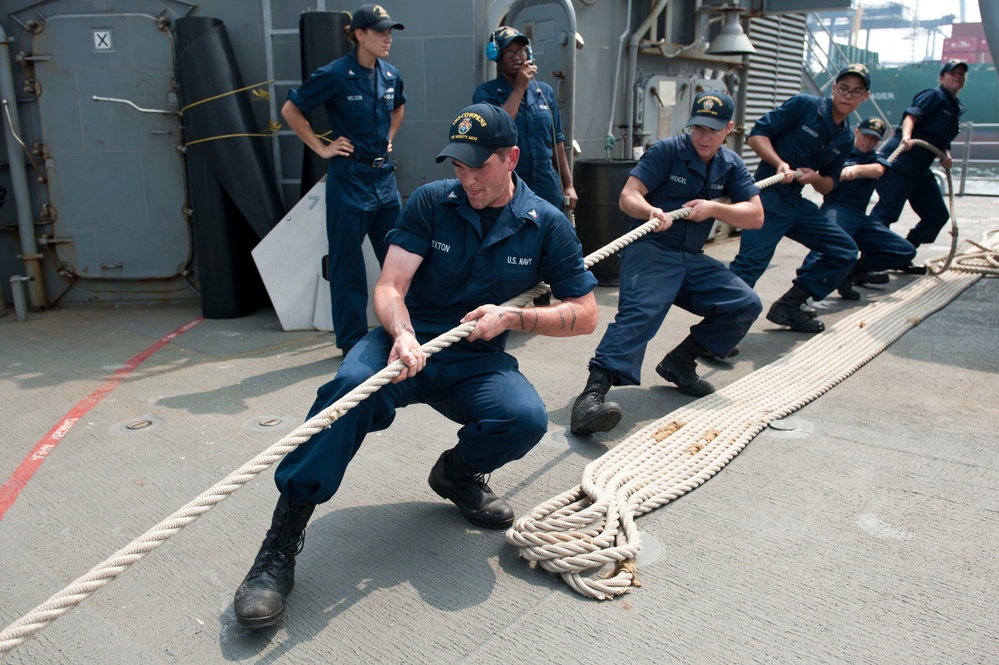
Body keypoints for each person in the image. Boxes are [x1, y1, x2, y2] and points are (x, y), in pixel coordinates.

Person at [233, 103, 599, 628]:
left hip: (474, 358)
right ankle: (280, 544)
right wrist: (402, 334)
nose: (467, 179)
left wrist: (514, 318)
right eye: (459, 166)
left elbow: (585, 314)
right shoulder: (432, 202)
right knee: (347, 390)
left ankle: (457, 474)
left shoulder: (546, 224)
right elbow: (390, 285)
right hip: (404, 342)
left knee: (524, 418)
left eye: (480, 167)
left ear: (512, 158)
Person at [570, 91, 764, 434]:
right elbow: (629, 196)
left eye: (713, 130)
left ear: (729, 129)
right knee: (642, 313)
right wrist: (650, 211)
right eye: (698, 128)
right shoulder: (667, 151)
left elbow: (756, 216)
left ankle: (680, 362)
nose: (704, 136)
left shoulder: (730, 164)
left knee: (744, 303)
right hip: (652, 249)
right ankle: (590, 399)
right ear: (689, 125)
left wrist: (715, 208)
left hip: (691, 257)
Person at [281, 4, 406, 355]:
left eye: (390, 32)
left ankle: (406, 330)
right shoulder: (335, 74)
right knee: (347, 268)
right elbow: (292, 109)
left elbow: (399, 106)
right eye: (380, 32)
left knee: (399, 261)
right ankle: (351, 345)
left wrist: (390, 136)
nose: (387, 38)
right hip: (349, 182)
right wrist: (321, 148)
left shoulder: (391, 74)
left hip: (384, 181)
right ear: (359, 35)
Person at [728, 64, 870, 334]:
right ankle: (718, 330)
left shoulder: (846, 137)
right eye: (843, 88)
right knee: (748, 267)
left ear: (864, 97)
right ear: (834, 88)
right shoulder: (804, 105)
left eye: (856, 91)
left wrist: (813, 177)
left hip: (796, 202)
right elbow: (756, 136)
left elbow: (828, 186)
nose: (847, 96)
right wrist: (780, 163)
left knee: (845, 251)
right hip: (767, 198)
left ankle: (790, 306)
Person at [800, 117, 917, 301]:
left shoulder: (876, 159)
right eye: (865, 136)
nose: (867, 141)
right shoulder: (841, 152)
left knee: (904, 251)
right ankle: (798, 296)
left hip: (860, 217)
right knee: (823, 249)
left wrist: (856, 171)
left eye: (873, 139)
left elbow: (879, 170)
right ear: (856, 132)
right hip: (838, 208)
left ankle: (852, 272)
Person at [869, 59, 968, 272]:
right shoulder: (934, 95)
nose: (958, 76)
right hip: (902, 161)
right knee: (886, 213)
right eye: (953, 73)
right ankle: (867, 265)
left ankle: (902, 254)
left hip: (920, 168)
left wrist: (946, 156)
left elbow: (942, 141)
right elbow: (911, 116)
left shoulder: (955, 108)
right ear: (942, 78)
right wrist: (906, 137)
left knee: (937, 215)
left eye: (961, 74)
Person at [473, 26, 576, 212]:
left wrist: (568, 184)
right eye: (509, 52)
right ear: (497, 57)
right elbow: (498, 127)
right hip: (510, 183)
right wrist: (519, 89)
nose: (517, 57)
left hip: (546, 184)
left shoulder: (544, 92)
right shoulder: (485, 93)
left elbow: (557, 142)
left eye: (520, 50)